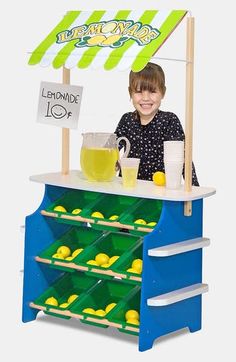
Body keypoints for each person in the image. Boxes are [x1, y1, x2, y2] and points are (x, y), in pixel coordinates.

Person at [115, 62, 199, 186]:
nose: (145, 98)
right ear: (130, 93)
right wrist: (112, 164)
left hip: (160, 191)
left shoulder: (169, 120)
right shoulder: (127, 120)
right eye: (139, 91)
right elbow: (111, 149)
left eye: (152, 91)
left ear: (163, 92)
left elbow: (183, 158)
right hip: (129, 189)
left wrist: (194, 188)